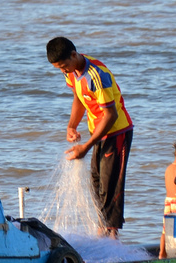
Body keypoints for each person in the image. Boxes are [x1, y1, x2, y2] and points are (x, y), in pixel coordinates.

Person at [46, 36, 134, 236]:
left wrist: (86, 147)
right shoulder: (72, 73)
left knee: (110, 184)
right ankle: (101, 229)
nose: (63, 71)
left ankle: (111, 236)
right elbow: (78, 97)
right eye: (58, 68)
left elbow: (111, 115)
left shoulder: (96, 76)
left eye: (63, 66)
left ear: (74, 55)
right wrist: (72, 125)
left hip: (116, 132)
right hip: (99, 133)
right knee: (96, 182)